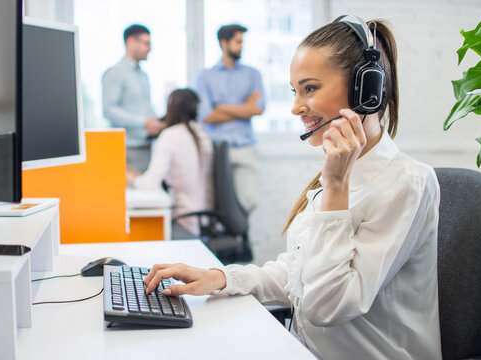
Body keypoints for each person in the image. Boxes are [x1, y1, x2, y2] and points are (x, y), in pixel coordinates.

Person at [144, 16, 441, 360]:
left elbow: (325, 307)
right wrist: (220, 278)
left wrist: (335, 186)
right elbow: (299, 273)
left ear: (366, 90)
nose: (296, 107)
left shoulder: (405, 183)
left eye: (310, 88)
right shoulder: (340, 171)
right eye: (295, 91)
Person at [195, 24, 265, 213]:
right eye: (238, 42)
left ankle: (241, 239)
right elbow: (206, 116)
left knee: (248, 200)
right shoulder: (205, 77)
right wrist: (244, 107)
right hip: (217, 147)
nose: (242, 46)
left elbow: (257, 109)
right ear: (224, 43)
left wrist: (222, 107)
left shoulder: (253, 74)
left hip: (245, 146)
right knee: (216, 202)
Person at [127, 88, 213, 240]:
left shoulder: (170, 135)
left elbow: (150, 184)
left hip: (185, 225)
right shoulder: (203, 134)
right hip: (207, 223)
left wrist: (131, 179)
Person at [102, 24, 165, 173]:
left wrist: (155, 121)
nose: (150, 48)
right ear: (131, 42)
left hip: (146, 148)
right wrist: (143, 122)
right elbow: (108, 110)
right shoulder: (115, 73)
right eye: (146, 43)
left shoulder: (143, 76)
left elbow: (143, 108)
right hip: (127, 150)